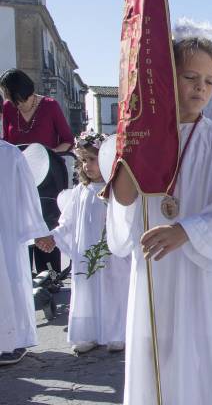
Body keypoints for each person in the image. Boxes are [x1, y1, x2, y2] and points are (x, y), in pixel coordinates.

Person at [107, 37, 212, 404]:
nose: (201, 87)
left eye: (210, 80)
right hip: (156, 268)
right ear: (164, 78)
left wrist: (185, 231)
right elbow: (124, 198)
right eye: (190, 77)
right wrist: (132, 146)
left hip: (201, 272)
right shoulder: (141, 139)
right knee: (159, 349)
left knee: (202, 353)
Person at [41, 132, 130, 355]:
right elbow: (68, 222)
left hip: (111, 253)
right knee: (88, 289)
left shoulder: (116, 190)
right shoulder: (80, 192)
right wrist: (54, 236)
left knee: (114, 288)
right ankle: (88, 332)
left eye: (92, 159)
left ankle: (117, 333)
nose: (87, 165)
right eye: (83, 160)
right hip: (86, 252)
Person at [2, 68, 74, 274]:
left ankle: (49, 276)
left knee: (45, 223)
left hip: (48, 179)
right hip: (19, 179)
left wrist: (44, 155)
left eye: (10, 94)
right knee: (21, 227)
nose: (9, 100)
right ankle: (23, 277)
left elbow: (67, 141)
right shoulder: (8, 108)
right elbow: (7, 143)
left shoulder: (50, 106)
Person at [0, 140, 53, 366]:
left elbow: (26, 192)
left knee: (9, 282)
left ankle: (9, 341)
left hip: (5, 232)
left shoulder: (9, 155)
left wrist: (38, 229)